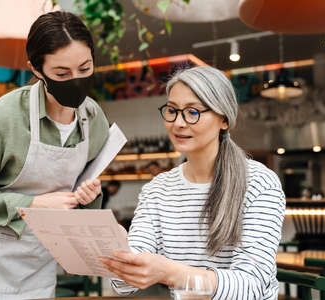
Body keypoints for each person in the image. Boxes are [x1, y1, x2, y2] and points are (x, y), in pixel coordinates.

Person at [0, 11, 109, 300]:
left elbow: (77, 205)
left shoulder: (94, 121)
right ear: (37, 70)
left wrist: (88, 199)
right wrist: (35, 203)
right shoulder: (3, 118)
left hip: (36, 269)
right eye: (62, 74)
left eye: (84, 68)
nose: (76, 80)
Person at [100, 66, 286, 299]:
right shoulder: (157, 190)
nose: (178, 123)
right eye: (172, 110)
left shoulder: (259, 183)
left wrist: (171, 273)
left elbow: (252, 286)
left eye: (193, 112)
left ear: (224, 119)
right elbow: (124, 286)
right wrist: (118, 251)